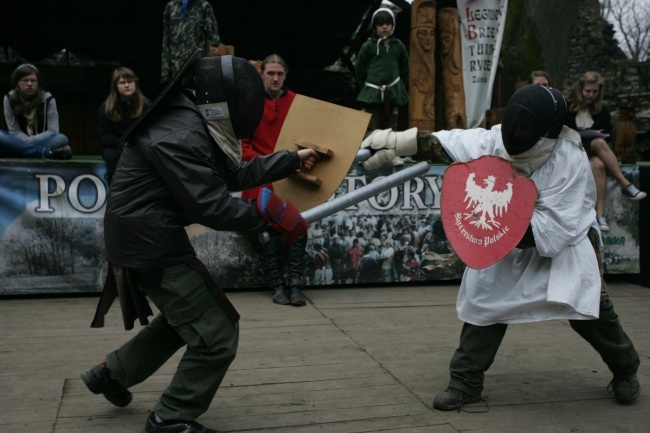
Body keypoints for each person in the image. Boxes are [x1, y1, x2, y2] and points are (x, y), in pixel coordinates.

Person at [360, 84, 640, 410]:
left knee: (587, 306)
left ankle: (625, 369)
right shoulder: (495, 140)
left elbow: (557, 226)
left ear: (545, 131)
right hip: (504, 232)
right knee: (485, 301)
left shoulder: (569, 160)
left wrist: (498, 230)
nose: (517, 133)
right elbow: (445, 145)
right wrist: (396, 143)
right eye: (515, 124)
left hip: (564, 243)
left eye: (525, 128)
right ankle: (465, 383)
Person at [81, 55, 319, 433]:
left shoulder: (192, 119)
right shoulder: (183, 132)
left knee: (186, 320)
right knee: (217, 333)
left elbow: (232, 174)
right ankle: (170, 418)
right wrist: (268, 219)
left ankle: (111, 374)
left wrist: (289, 161)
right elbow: (209, 204)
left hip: (144, 236)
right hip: (148, 241)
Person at [239, 54, 309, 305]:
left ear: (286, 75)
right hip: (260, 176)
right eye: (270, 73)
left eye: (280, 73)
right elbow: (242, 146)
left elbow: (306, 139)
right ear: (261, 75)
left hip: (292, 175)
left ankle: (295, 285)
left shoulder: (297, 103)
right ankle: (277, 285)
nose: (275, 78)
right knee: (266, 227)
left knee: (299, 223)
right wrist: (267, 167)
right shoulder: (248, 103)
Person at [565, 71, 646, 232]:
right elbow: (564, 131)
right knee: (598, 141)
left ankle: (600, 215)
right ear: (580, 89)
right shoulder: (567, 106)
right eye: (588, 91)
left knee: (599, 165)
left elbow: (607, 130)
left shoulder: (601, 109)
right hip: (572, 148)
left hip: (593, 152)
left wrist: (596, 134)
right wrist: (587, 134)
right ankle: (625, 183)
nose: (591, 95)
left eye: (595, 92)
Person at [356, 7, 410, 164]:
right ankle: (367, 156)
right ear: (375, 27)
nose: (384, 27)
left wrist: (399, 89)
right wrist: (367, 89)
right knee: (372, 126)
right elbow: (360, 69)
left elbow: (405, 68)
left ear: (393, 25)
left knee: (391, 126)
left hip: (393, 92)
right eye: (380, 24)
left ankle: (392, 155)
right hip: (372, 93)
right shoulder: (368, 47)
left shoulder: (398, 46)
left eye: (388, 24)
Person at [0, 63, 71, 160]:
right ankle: (45, 153)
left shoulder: (48, 99)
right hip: (16, 139)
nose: (29, 84)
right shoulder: (9, 98)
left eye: (33, 80)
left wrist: (26, 143)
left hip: (41, 141)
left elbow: (53, 130)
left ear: (38, 83)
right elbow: (14, 131)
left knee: (61, 139)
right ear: (17, 83)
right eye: (25, 80)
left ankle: (17, 151)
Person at [98, 67, 151, 184]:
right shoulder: (106, 107)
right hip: (115, 146)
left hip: (139, 145)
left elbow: (151, 131)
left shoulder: (146, 105)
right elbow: (104, 135)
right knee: (110, 155)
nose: (127, 85)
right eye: (122, 82)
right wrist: (120, 144)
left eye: (130, 81)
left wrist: (134, 145)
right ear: (115, 86)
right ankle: (114, 190)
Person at [161, 0, 221, 84]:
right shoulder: (171, 7)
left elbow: (214, 41)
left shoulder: (203, 6)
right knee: (180, 96)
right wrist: (165, 73)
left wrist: (210, 69)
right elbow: (166, 41)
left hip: (199, 67)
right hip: (177, 69)